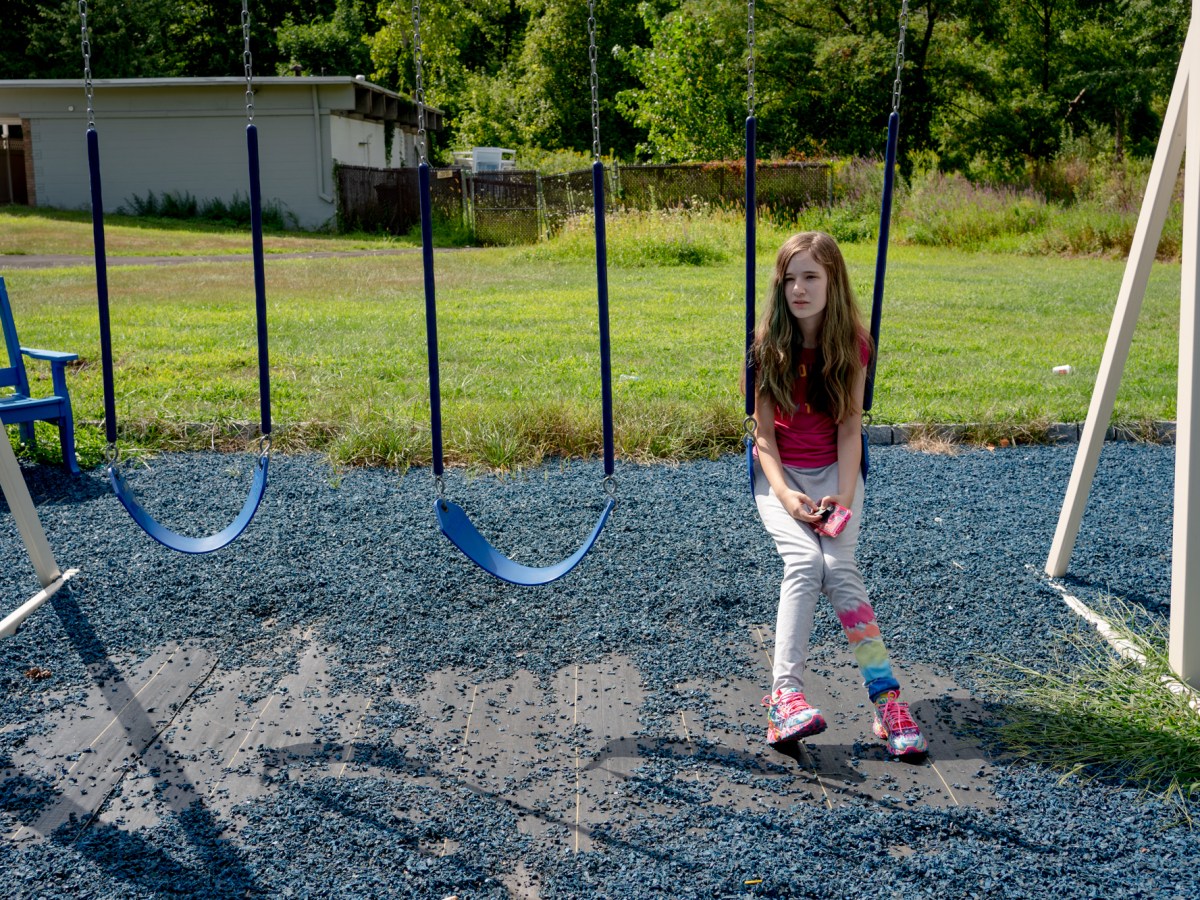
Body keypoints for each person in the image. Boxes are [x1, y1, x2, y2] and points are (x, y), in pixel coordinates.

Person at [748, 231, 927, 758]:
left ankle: (886, 700)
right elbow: (763, 437)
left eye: (811, 277)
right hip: (779, 476)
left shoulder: (853, 343)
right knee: (805, 562)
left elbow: (851, 428)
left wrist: (843, 499)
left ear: (833, 281)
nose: (798, 289)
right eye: (789, 279)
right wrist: (785, 497)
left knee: (841, 571)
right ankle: (785, 698)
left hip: (837, 473)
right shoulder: (764, 345)